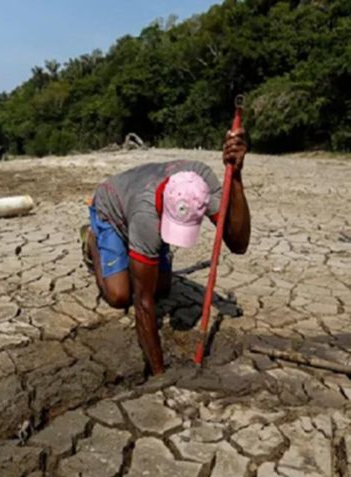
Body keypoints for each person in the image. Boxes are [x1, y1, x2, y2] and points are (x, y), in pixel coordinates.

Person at [81, 129, 250, 374]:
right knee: (119, 296)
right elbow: (143, 302)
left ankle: (136, 253)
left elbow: (239, 243)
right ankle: (91, 239)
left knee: (163, 288)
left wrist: (236, 175)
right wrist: (159, 374)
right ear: (163, 209)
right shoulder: (146, 216)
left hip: (141, 203)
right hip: (111, 207)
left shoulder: (200, 184)